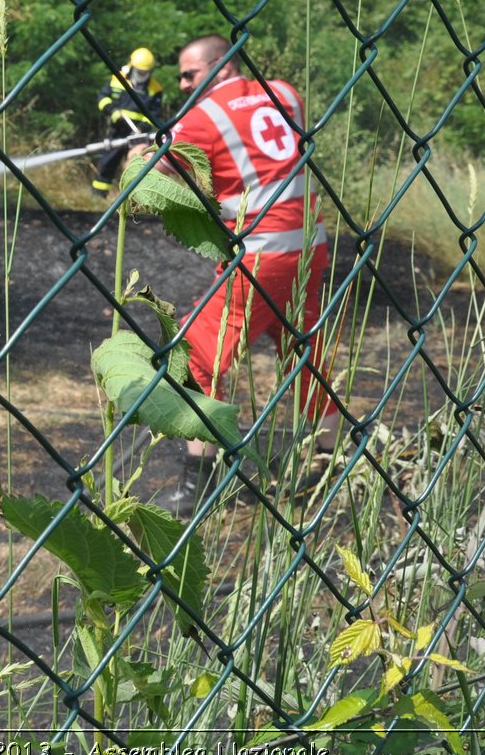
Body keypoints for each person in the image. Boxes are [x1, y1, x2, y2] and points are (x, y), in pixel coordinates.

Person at [134, 34, 339, 511]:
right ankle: (331, 461)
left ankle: (200, 485)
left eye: (190, 73)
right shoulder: (285, 93)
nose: (183, 84)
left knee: (194, 356)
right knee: (303, 352)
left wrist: (138, 154)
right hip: (307, 247)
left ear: (221, 66)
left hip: (259, 257)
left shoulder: (202, 118)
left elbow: (155, 172)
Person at [92, 47, 165, 195]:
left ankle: (134, 201)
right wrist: (111, 111)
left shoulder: (155, 89)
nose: (142, 74)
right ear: (132, 66)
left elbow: (155, 113)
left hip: (138, 134)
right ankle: (98, 197)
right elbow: (103, 97)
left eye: (145, 72)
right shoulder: (117, 79)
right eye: (139, 71)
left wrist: (142, 127)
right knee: (107, 164)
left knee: (137, 166)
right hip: (117, 130)